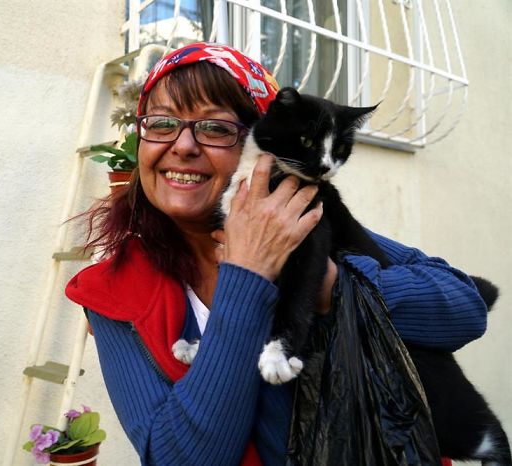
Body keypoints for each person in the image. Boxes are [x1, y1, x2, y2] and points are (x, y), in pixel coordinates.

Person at [66, 42, 487, 466]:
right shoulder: (110, 293)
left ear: (259, 146)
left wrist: (332, 286)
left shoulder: (306, 223)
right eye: (161, 123)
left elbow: (467, 308)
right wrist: (247, 276)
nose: (184, 146)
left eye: (215, 128)